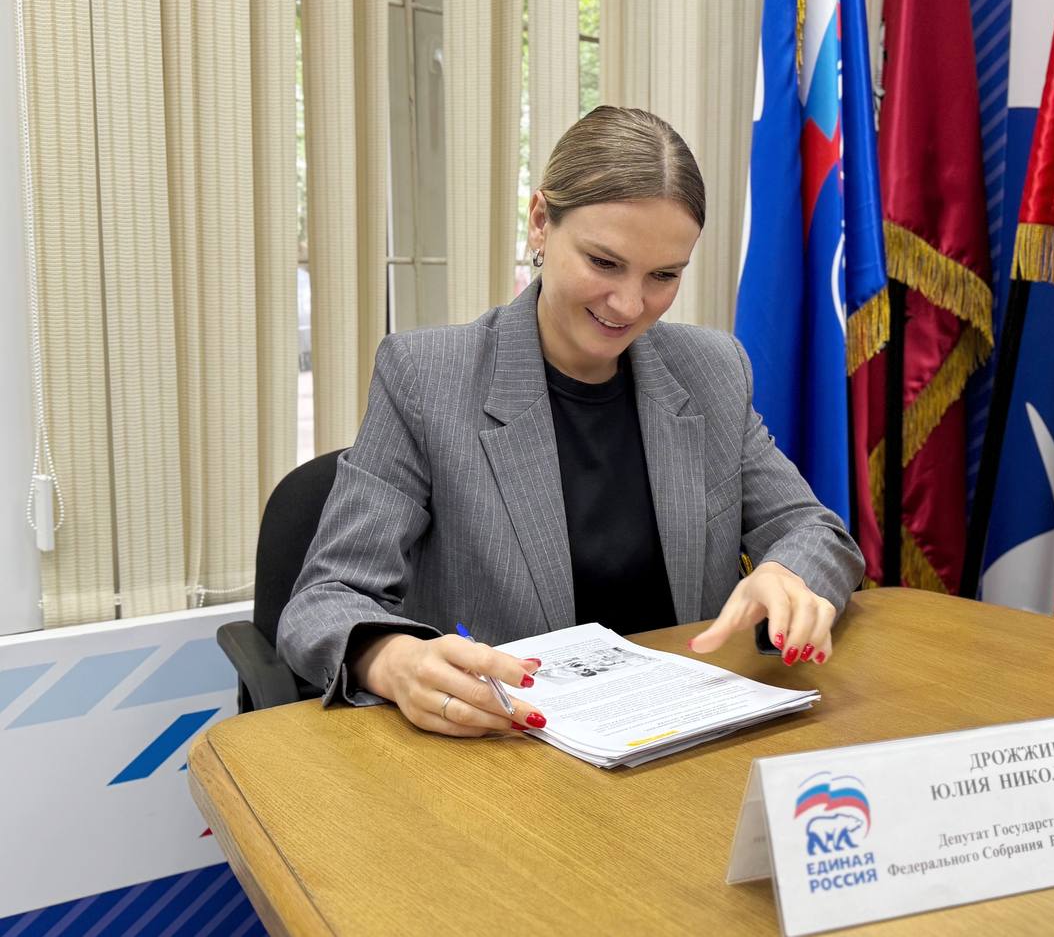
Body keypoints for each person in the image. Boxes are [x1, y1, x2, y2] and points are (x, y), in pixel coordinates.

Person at [277, 106, 865, 738]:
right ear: (540, 222)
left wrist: (788, 574)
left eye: (663, 275)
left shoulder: (712, 370)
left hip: (686, 739)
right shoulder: (426, 377)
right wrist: (393, 660)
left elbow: (815, 531)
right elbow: (324, 598)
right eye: (604, 262)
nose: (630, 305)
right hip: (506, 749)